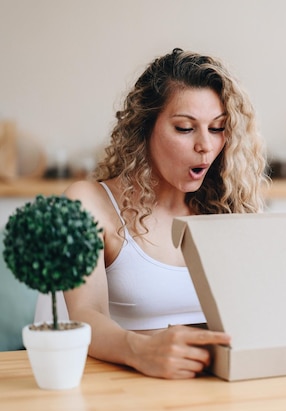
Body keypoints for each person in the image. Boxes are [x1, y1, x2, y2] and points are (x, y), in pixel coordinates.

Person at [63, 48, 269, 379]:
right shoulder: (88, 203)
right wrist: (139, 350)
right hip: (119, 388)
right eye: (185, 128)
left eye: (217, 128)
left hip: (217, 388)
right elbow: (86, 313)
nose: (205, 145)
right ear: (145, 128)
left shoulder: (232, 206)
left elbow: (258, 311)